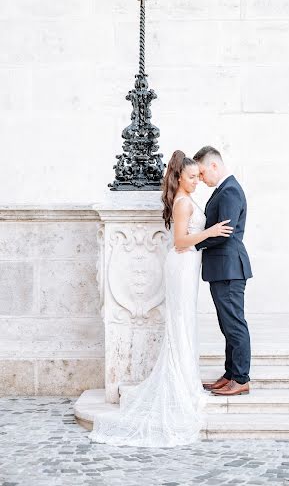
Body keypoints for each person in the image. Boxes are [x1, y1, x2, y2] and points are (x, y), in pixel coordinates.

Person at [87, 150, 233, 447]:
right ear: (179, 177)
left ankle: (186, 379)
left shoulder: (186, 199)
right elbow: (180, 242)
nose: (196, 181)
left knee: (185, 321)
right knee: (179, 321)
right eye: (191, 177)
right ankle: (180, 384)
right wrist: (211, 232)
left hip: (189, 264)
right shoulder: (181, 203)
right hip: (181, 264)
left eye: (197, 176)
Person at [182, 146, 253, 396]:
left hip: (230, 268)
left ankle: (241, 378)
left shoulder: (230, 190)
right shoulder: (223, 190)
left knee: (234, 324)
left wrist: (194, 243)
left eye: (201, 173)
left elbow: (224, 232)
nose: (200, 179)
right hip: (222, 268)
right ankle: (230, 373)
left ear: (214, 165)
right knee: (227, 324)